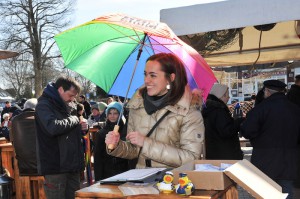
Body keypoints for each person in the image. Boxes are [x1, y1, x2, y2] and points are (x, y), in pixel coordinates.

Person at [105, 53, 205, 169]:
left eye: (153, 75)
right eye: (145, 74)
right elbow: (134, 150)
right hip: (142, 179)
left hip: (175, 182)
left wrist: (145, 143)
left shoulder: (188, 111)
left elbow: (191, 158)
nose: (146, 80)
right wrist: (117, 145)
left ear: (171, 78)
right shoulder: (137, 105)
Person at [240, 80, 300, 199]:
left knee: (265, 194)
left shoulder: (260, 109)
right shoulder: (296, 109)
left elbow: (247, 131)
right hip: (289, 161)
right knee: (286, 193)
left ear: (267, 91)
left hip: (265, 161)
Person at [35, 76, 88, 199]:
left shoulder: (70, 104)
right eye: (70, 95)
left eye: (74, 96)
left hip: (72, 165)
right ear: (60, 90)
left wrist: (83, 128)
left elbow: (73, 129)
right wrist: (75, 120)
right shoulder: (44, 104)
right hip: (55, 166)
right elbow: (53, 127)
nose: (73, 99)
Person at [201, 83, 243, 160]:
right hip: (225, 154)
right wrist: (238, 121)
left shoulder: (210, 108)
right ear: (221, 96)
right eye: (227, 95)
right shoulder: (219, 110)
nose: (229, 97)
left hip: (215, 152)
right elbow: (227, 131)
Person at [94, 102, 128, 181]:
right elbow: (98, 158)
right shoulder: (101, 133)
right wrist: (98, 178)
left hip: (124, 171)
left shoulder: (126, 131)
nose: (112, 116)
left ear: (120, 115)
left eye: (115, 113)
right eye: (110, 113)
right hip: (107, 172)